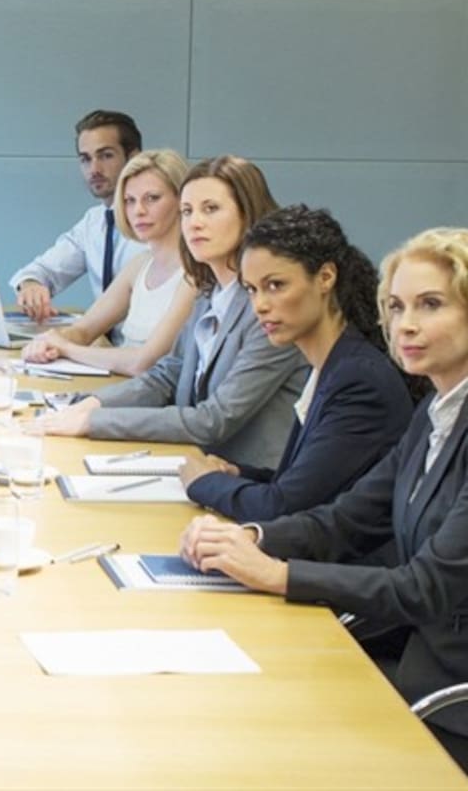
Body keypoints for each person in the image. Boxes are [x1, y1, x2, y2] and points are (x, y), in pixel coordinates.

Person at [180, 227, 468, 771]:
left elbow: (424, 587)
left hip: (448, 705)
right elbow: (349, 519)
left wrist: (276, 575)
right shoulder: (436, 412)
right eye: (397, 305)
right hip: (414, 670)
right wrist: (251, 537)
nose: (406, 324)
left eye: (431, 305)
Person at [31, 156, 307, 472]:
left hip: (252, 484)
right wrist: (88, 404)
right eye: (187, 211)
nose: (195, 223)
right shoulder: (209, 292)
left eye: (211, 209)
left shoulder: (269, 310)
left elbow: (212, 420)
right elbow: (167, 375)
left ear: (248, 215)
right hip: (197, 466)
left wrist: (93, 421)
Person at [183, 205, 413, 520]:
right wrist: (237, 473)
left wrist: (204, 483)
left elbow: (284, 507)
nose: (260, 305)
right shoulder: (332, 365)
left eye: (275, 285)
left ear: (326, 277)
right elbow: (303, 484)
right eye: (251, 290)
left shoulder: (359, 380)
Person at [21, 148, 195, 376]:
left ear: (182, 201)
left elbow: (143, 362)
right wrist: (50, 342)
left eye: (152, 198)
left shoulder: (195, 273)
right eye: (129, 201)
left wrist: (66, 348)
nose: (138, 211)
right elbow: (84, 330)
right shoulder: (139, 265)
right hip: (121, 389)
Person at [10, 109, 147, 321]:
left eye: (106, 156)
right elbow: (43, 270)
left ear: (134, 158)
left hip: (145, 349)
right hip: (101, 346)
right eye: (85, 159)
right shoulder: (94, 221)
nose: (94, 169)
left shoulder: (156, 222)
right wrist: (31, 285)